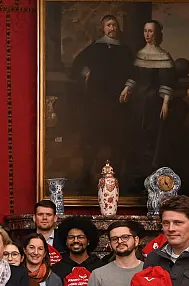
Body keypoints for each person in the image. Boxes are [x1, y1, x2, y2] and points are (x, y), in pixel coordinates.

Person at [70, 15, 133, 182]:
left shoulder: (125, 50)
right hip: (97, 98)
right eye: (108, 25)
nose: (112, 28)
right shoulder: (95, 47)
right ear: (103, 28)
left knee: (118, 135)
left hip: (118, 98)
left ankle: (117, 173)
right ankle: (87, 170)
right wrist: (86, 73)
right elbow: (77, 64)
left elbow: (133, 72)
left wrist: (128, 87)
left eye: (114, 25)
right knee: (93, 133)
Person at [119, 20, 176, 187]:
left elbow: (168, 81)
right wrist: (126, 89)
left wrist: (165, 103)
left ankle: (151, 173)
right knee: (136, 135)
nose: (147, 34)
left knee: (151, 136)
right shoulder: (140, 54)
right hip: (137, 101)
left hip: (153, 102)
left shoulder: (164, 56)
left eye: (150, 31)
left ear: (157, 33)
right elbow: (134, 76)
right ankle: (136, 173)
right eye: (145, 31)